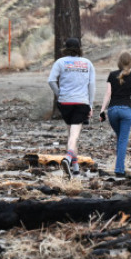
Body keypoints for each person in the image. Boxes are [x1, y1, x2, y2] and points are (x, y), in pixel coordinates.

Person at [47, 37, 96, 177]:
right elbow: (91, 86)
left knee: (70, 135)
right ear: (79, 48)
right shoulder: (88, 63)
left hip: (65, 103)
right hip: (81, 102)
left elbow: (51, 81)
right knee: (74, 135)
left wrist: (59, 93)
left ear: (65, 49)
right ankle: (68, 158)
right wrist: (90, 105)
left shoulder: (60, 62)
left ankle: (75, 168)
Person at [98, 51, 131, 178]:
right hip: (126, 111)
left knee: (120, 138)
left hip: (112, 111)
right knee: (123, 140)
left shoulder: (112, 75)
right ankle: (119, 169)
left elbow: (108, 94)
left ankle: (119, 165)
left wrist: (102, 110)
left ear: (119, 62)